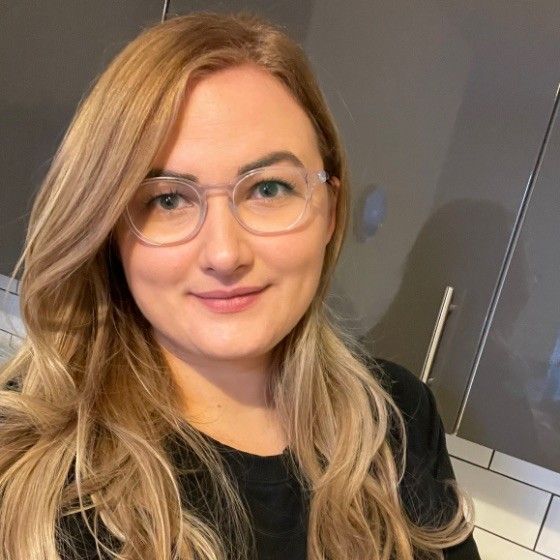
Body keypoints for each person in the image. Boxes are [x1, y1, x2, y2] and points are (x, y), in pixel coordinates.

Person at [0, 11, 480, 560]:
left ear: (330, 210)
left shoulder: (398, 419)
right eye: (167, 199)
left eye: (269, 188)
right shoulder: (25, 471)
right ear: (107, 229)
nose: (225, 255)